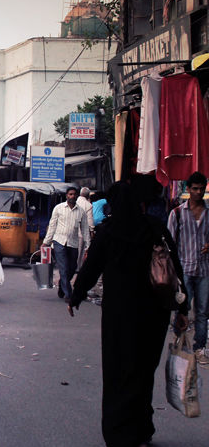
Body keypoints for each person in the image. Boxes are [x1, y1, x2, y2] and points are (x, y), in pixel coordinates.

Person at [69, 181, 189, 447]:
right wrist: (183, 307)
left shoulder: (109, 232)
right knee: (143, 371)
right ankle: (141, 428)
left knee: (117, 371)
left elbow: (90, 268)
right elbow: (174, 269)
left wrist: (75, 297)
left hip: (119, 317)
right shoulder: (155, 228)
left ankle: (118, 432)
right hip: (152, 316)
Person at [167, 170, 209, 365]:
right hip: (184, 270)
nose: (198, 192)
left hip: (205, 270)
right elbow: (169, 244)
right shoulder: (177, 213)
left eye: (201, 189)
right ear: (188, 190)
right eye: (195, 189)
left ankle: (200, 348)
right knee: (182, 309)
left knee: (202, 311)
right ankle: (179, 342)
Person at [43, 186, 90, 301]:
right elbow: (52, 226)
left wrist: (88, 246)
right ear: (66, 196)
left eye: (74, 194)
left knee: (72, 268)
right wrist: (46, 242)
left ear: (77, 196)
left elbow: (85, 229)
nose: (72, 196)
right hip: (59, 241)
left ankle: (62, 285)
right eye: (70, 194)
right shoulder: (58, 208)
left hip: (73, 243)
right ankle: (69, 295)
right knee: (63, 268)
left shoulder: (81, 211)